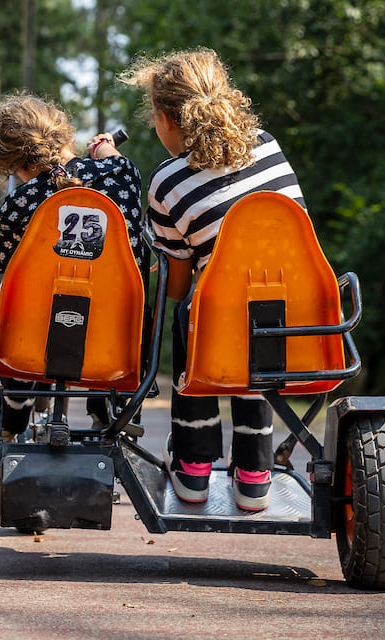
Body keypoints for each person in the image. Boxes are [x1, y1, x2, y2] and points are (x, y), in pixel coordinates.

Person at [121, 46, 306, 512]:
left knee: (192, 312)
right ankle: (254, 473)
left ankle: (195, 466)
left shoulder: (167, 182)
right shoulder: (267, 144)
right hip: (299, 322)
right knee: (255, 317)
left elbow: (178, 285)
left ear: (165, 119)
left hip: (217, 332)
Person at [0, 93, 144, 440]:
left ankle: (10, 420)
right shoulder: (122, 173)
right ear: (64, 133)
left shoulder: (22, 200)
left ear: (5, 163)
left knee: (32, 319)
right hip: (116, 340)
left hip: (38, 345)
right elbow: (115, 165)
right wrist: (105, 149)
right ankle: (108, 412)